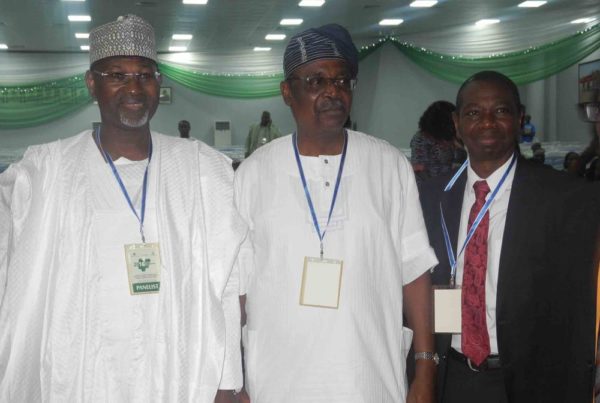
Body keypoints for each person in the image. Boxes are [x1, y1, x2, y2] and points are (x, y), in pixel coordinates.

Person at [0, 15, 245, 402]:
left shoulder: (201, 170)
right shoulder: (46, 171)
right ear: (92, 83)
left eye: (145, 74)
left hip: (178, 373)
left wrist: (229, 379)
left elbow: (230, 283)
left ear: (158, 82)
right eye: (117, 74)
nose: (134, 87)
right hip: (81, 374)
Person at [234, 23, 439, 402]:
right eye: (316, 81)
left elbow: (415, 272)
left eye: (342, 81)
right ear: (286, 92)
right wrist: (234, 379)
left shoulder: (388, 164)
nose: (332, 92)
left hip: (369, 378)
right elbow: (238, 290)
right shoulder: (253, 174)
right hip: (278, 380)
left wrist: (425, 368)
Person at [419, 71, 599, 403]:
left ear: (519, 119)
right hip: (449, 377)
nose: (487, 122)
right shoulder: (429, 198)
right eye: (473, 113)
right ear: (456, 124)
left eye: (500, 111)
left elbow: (582, 300)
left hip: (532, 381)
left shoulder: (565, 198)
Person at [410, 101, 457, 183]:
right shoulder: (421, 139)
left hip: (448, 184)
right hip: (428, 186)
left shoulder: (451, 137)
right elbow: (419, 169)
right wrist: (436, 186)